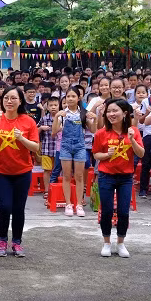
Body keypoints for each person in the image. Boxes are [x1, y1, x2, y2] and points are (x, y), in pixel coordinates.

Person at [0, 87, 40, 257]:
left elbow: (36, 147)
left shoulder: (28, 121)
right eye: (6, 98)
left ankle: (17, 242)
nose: (9, 101)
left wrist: (21, 138)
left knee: (18, 208)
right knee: (4, 207)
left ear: (20, 101)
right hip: (1, 171)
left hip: (22, 171)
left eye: (13, 98)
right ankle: (2, 240)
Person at [93, 98, 145, 257]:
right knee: (107, 211)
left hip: (125, 177)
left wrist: (132, 140)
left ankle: (121, 243)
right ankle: (106, 242)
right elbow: (96, 154)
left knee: (123, 212)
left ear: (124, 113)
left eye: (115, 111)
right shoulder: (101, 133)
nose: (111, 114)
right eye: (108, 111)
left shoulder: (133, 131)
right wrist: (106, 155)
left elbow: (141, 153)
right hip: (106, 176)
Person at [51, 87, 97, 217]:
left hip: (80, 147)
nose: (70, 99)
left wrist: (96, 119)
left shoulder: (83, 113)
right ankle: (68, 204)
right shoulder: (63, 114)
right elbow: (54, 132)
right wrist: (56, 117)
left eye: (73, 96)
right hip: (65, 147)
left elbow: (93, 130)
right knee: (66, 176)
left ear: (78, 99)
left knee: (79, 176)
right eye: (68, 96)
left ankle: (79, 204)